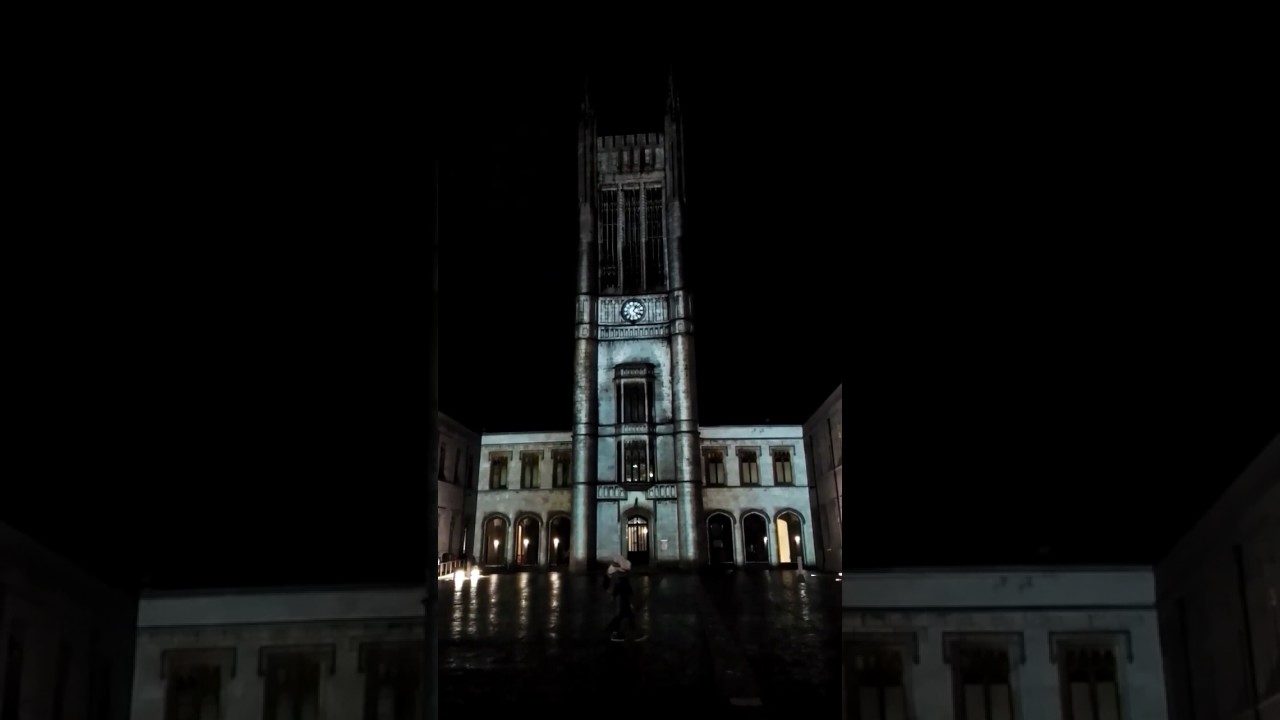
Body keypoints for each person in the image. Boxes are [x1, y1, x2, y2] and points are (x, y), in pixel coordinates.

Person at [603, 556, 645, 642]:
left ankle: (632, 633)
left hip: (622, 599)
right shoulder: (620, 577)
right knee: (621, 616)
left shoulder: (615, 574)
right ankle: (617, 633)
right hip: (622, 599)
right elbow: (625, 589)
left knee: (627, 616)